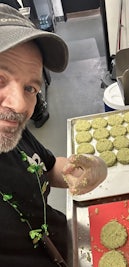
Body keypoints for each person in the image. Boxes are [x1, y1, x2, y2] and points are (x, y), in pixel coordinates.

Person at [0, 4, 107, 267]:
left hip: (66, 245)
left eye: (30, 88)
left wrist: (86, 171)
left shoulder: (11, 135)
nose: (20, 105)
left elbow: (47, 168)